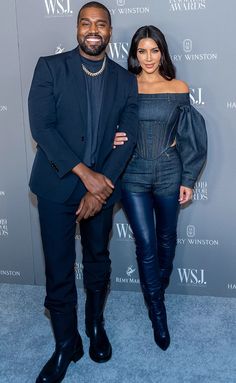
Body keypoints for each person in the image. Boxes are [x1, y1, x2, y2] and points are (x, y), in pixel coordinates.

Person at [28, 2, 138, 382]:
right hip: (57, 186)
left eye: (101, 24)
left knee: (97, 259)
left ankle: (94, 327)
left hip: (102, 189)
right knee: (58, 268)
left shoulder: (125, 81)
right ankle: (65, 344)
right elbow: (43, 128)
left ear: (110, 31)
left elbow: (128, 137)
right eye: (86, 23)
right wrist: (84, 175)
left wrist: (99, 185)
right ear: (77, 29)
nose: (93, 30)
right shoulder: (50, 68)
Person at [114, 25, 207, 351]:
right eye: (142, 51)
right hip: (133, 174)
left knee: (167, 239)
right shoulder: (124, 86)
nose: (149, 57)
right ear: (134, 55)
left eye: (154, 50)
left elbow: (191, 135)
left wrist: (188, 178)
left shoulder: (179, 87)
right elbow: (103, 121)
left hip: (169, 171)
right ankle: (157, 311)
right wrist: (111, 136)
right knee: (146, 243)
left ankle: (157, 288)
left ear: (163, 53)